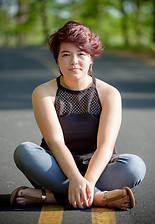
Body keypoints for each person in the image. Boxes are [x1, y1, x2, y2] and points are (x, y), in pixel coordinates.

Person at [10, 20, 146, 210]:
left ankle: (53, 196)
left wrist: (88, 182)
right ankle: (99, 198)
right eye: (66, 55)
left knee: (135, 166)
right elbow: (55, 142)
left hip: (99, 170)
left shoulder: (109, 93)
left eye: (81, 54)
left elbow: (106, 146)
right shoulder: (43, 92)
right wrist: (74, 178)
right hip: (56, 170)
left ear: (91, 58)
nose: (74, 61)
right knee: (24, 151)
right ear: (57, 59)